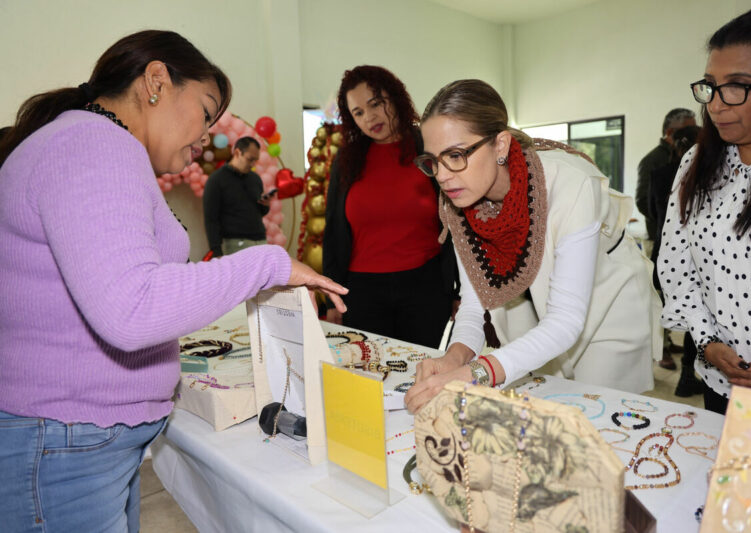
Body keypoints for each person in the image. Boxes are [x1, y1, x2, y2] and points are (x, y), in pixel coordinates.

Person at [0, 30, 347, 532]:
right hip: (64, 445)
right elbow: (131, 308)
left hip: (77, 440)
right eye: (205, 112)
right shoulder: (94, 143)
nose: (206, 135)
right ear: (156, 81)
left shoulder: (89, 143)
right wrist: (265, 264)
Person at [405, 79, 661, 413]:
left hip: (605, 309)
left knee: (598, 425)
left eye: (455, 155)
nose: (442, 175)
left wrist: (478, 371)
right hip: (533, 314)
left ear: (500, 145)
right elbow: (473, 302)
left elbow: (566, 320)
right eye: (433, 161)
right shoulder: (458, 196)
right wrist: (455, 357)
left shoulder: (569, 182)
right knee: (538, 422)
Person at [659, 4, 751, 414]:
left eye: (737, 85)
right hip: (726, 386)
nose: (717, 105)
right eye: (709, 86)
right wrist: (707, 342)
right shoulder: (697, 166)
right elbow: (676, 266)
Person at [323, 65, 458, 349]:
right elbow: (334, 231)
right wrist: (330, 298)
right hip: (361, 293)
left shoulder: (428, 146)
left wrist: (460, 292)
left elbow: (457, 222)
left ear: (395, 97)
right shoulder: (346, 161)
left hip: (426, 288)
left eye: (376, 104)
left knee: (420, 372)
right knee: (371, 376)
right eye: (358, 112)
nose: (369, 117)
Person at [637, 108, 697, 370]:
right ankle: (659, 349)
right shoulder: (654, 160)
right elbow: (643, 201)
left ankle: (669, 339)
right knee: (658, 296)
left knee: (674, 294)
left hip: (683, 241)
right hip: (659, 237)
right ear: (671, 132)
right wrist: (666, 224)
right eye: (688, 128)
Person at [648, 124, 703, 397]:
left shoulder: (659, 174)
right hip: (694, 257)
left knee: (664, 301)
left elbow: (647, 207)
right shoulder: (700, 171)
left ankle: (667, 353)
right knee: (698, 320)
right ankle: (686, 374)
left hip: (663, 248)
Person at [203, 135, 277, 257]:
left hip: (260, 240)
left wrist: (265, 205)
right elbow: (211, 219)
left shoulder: (255, 178)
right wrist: (216, 250)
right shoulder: (217, 179)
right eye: (250, 159)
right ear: (237, 153)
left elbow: (258, 212)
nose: (253, 164)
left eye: (255, 160)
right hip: (235, 243)